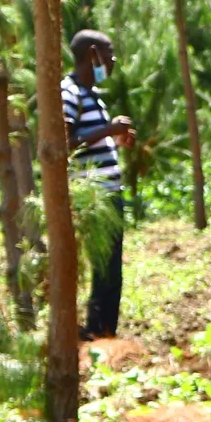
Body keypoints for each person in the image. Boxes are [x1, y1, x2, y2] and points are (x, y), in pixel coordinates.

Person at [62, 29, 135, 339]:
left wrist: (116, 138)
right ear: (92, 55)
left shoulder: (92, 95)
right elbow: (62, 143)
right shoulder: (69, 93)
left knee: (111, 270)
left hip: (110, 193)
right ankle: (97, 333)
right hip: (94, 199)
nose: (113, 61)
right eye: (109, 53)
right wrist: (107, 130)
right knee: (103, 268)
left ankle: (106, 333)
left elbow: (90, 142)